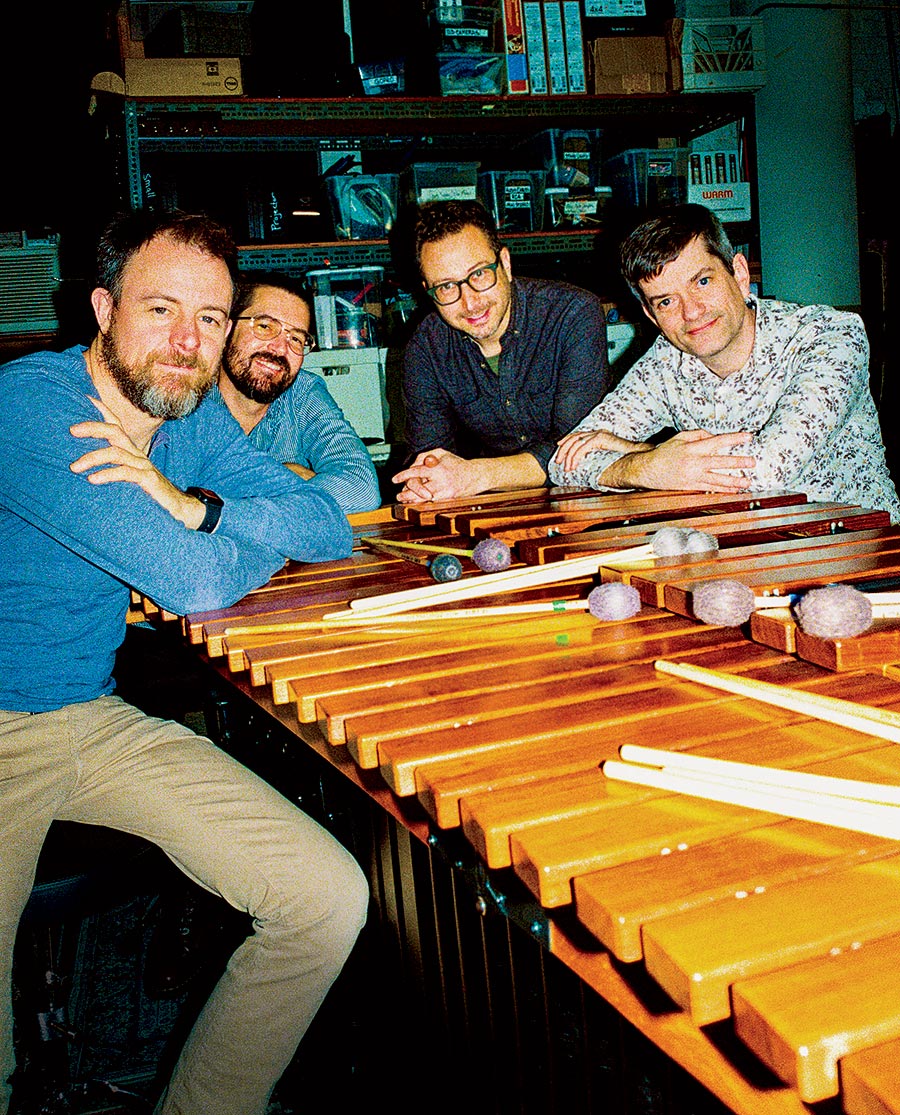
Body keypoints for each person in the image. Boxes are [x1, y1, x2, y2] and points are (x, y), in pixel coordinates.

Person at [0, 210, 369, 1115]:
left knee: (325, 899)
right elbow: (195, 581)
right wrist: (223, 535)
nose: (186, 341)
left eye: (210, 317)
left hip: (90, 714)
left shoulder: (189, 413)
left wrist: (196, 505)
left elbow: (329, 523)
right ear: (101, 308)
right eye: (161, 309)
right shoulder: (31, 404)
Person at [550, 203, 900, 522]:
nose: (691, 311)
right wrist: (642, 466)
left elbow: (767, 471)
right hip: (739, 551)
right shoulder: (664, 362)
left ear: (740, 274)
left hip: (860, 557)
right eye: (666, 302)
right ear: (650, 315)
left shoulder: (829, 336)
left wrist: (646, 455)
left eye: (702, 281)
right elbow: (565, 463)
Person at [392, 199, 612, 503]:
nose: (469, 303)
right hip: (497, 503)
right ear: (427, 289)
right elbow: (430, 453)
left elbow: (578, 451)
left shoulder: (572, 314)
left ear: (505, 264)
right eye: (446, 287)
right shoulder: (427, 348)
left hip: (589, 497)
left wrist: (475, 475)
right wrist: (427, 482)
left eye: (480, 274)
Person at [215, 271, 382, 515]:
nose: (280, 348)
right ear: (227, 329)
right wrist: (285, 478)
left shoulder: (303, 392)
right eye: (264, 326)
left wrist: (225, 501)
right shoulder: (189, 397)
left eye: (296, 338)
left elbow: (362, 490)